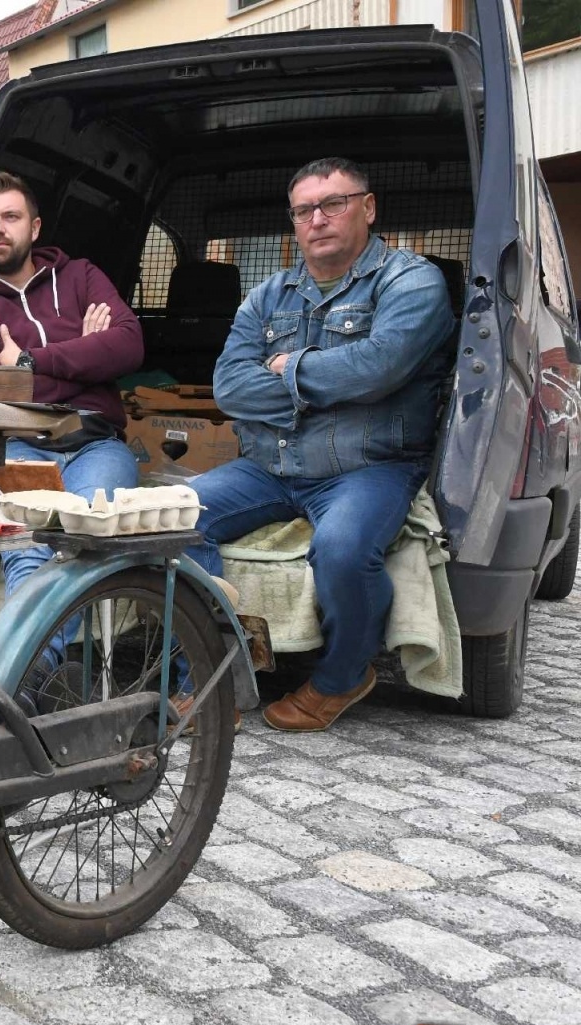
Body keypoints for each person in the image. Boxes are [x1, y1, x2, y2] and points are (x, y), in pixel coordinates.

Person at [189, 157, 454, 732]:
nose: (317, 219)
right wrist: (334, 387)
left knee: (342, 548)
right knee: (175, 517)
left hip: (368, 466)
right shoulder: (268, 295)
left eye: (333, 203)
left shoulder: (412, 282)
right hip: (270, 466)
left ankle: (341, 677)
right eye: (304, 210)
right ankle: (212, 679)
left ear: (368, 207)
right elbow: (229, 387)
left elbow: (381, 366)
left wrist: (288, 370)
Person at [0, 170, 145, 597]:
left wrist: (27, 362)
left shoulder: (81, 276)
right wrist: (87, 356)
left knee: (86, 539)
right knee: (29, 551)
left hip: (96, 444)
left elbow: (128, 346)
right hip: (12, 449)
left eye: (10, 216)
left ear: (34, 228)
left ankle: (36, 645)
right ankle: (39, 647)